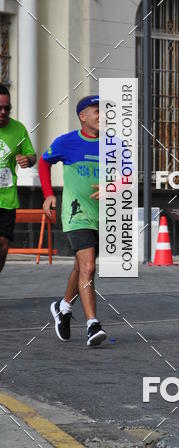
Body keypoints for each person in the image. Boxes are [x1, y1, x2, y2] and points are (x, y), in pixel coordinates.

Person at [40, 95, 107, 347]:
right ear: (83, 116)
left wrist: (112, 185)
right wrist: (48, 195)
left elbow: (129, 175)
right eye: (97, 110)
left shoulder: (114, 144)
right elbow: (44, 163)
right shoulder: (66, 142)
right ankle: (93, 325)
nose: (103, 115)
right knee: (88, 267)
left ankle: (63, 307)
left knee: (82, 268)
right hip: (76, 214)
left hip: (104, 216)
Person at [0, 84, 36, 273]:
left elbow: (32, 155)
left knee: (3, 247)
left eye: (7, 108)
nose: (4, 112)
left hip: (7, 199)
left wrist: (27, 160)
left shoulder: (18, 129)